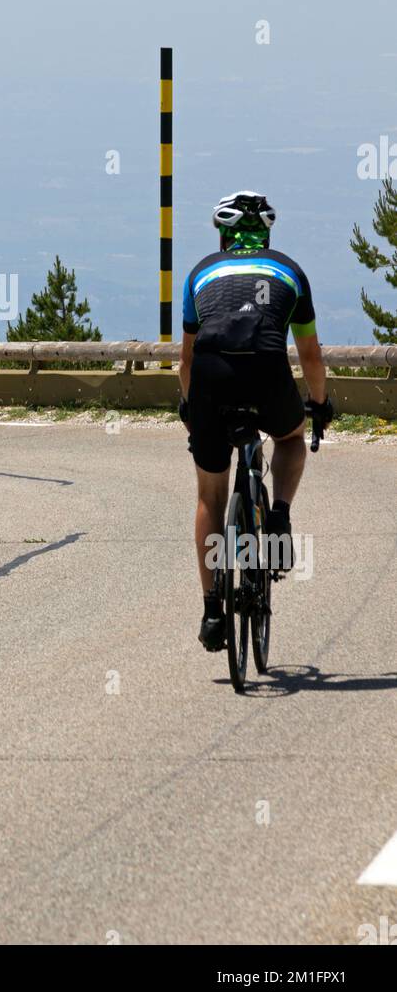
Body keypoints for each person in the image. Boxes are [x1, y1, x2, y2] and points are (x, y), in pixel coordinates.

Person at [177, 191, 334, 652]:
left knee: (210, 492)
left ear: (223, 235)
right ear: (266, 232)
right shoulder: (289, 270)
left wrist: (192, 408)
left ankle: (211, 611)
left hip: (210, 376)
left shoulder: (201, 272)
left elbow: (185, 360)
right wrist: (319, 404)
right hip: (266, 371)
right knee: (289, 438)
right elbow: (309, 354)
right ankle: (279, 515)